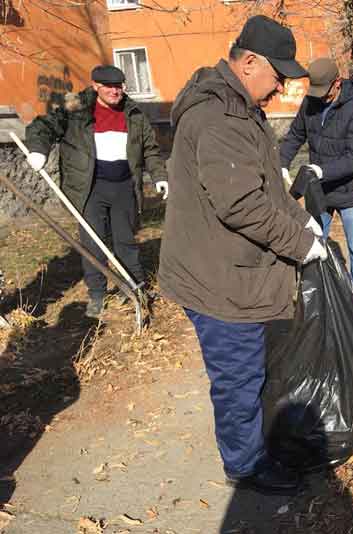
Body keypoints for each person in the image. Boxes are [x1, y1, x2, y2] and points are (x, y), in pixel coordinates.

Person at [158, 15, 327, 494]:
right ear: (249, 62)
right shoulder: (217, 117)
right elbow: (242, 205)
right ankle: (245, 465)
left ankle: (252, 445)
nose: (280, 90)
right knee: (238, 375)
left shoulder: (241, 110)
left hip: (232, 270)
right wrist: (300, 246)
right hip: (217, 280)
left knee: (251, 368)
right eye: (277, 77)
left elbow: (267, 187)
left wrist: (302, 223)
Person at [25, 65, 168, 318]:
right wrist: (39, 149)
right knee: (94, 243)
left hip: (125, 186)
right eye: (109, 86)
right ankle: (97, 296)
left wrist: (159, 175)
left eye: (119, 86)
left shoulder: (133, 113)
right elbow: (43, 126)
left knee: (126, 241)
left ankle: (134, 289)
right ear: (95, 86)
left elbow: (150, 149)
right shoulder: (75, 111)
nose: (116, 91)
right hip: (89, 189)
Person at [280, 57, 353, 302]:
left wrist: (323, 171)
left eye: (325, 91)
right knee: (315, 242)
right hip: (320, 191)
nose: (320, 97)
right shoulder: (310, 103)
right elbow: (295, 135)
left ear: (337, 83)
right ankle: (320, 293)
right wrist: (281, 164)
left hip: (349, 190)